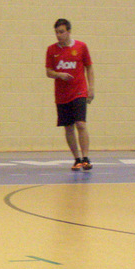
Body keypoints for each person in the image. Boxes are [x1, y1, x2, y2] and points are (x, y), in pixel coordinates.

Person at [45, 18, 95, 171]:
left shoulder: (81, 47)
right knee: (68, 127)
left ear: (69, 32)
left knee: (81, 124)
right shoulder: (51, 50)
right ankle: (77, 159)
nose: (59, 35)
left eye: (61, 32)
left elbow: (89, 67)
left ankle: (85, 157)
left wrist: (91, 88)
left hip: (79, 91)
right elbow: (48, 72)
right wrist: (59, 75)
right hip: (62, 94)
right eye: (56, 32)